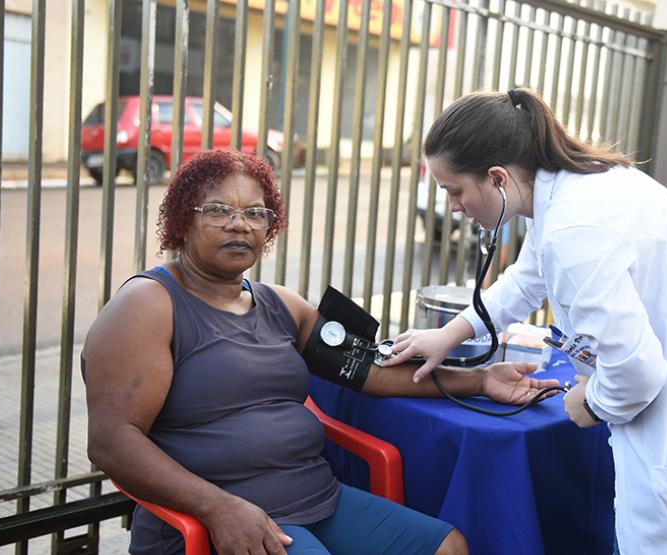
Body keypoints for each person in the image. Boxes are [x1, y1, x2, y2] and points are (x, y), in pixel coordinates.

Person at [383, 88, 667, 554]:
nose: (454, 206)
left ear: (497, 178)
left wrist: (589, 404)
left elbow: (636, 372)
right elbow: (526, 280)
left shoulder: (574, 228)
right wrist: (449, 334)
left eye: (454, 190)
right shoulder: (576, 187)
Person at [83, 149, 562, 555]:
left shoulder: (280, 305)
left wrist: (480, 381)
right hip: (221, 514)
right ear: (183, 219)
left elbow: (368, 371)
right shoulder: (149, 305)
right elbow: (112, 441)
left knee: (448, 547)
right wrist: (216, 507)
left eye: (256, 213)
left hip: (317, 497)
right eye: (218, 211)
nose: (240, 225)